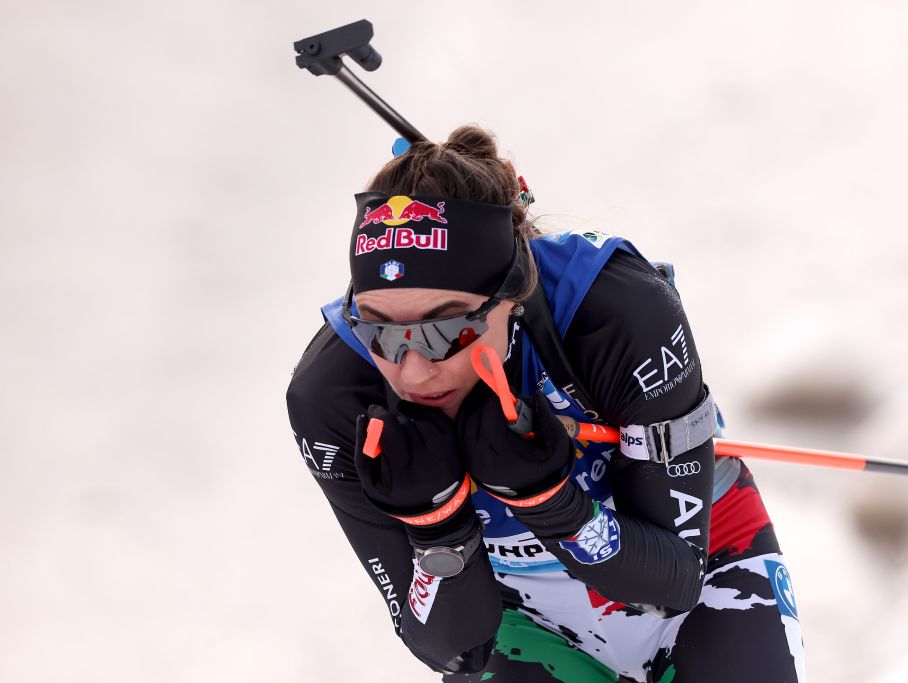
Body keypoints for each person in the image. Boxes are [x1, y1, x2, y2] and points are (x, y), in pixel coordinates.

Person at [286, 125, 806, 682]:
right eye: (379, 331)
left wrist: (548, 502)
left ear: (512, 293)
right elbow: (451, 649)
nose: (412, 369)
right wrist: (437, 528)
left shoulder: (614, 311)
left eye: (446, 329)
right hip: (518, 615)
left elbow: (673, 583)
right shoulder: (335, 393)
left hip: (696, 569)